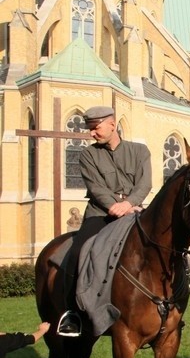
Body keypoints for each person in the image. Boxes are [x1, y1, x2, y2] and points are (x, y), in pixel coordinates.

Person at [57, 106, 152, 337]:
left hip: (134, 211)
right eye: (90, 129)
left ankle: (170, 304)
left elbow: (145, 184)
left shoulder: (140, 151)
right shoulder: (88, 155)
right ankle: (72, 314)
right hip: (100, 214)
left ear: (112, 124)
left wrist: (129, 204)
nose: (92, 133)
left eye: (95, 128)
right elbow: (96, 187)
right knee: (78, 253)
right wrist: (115, 206)